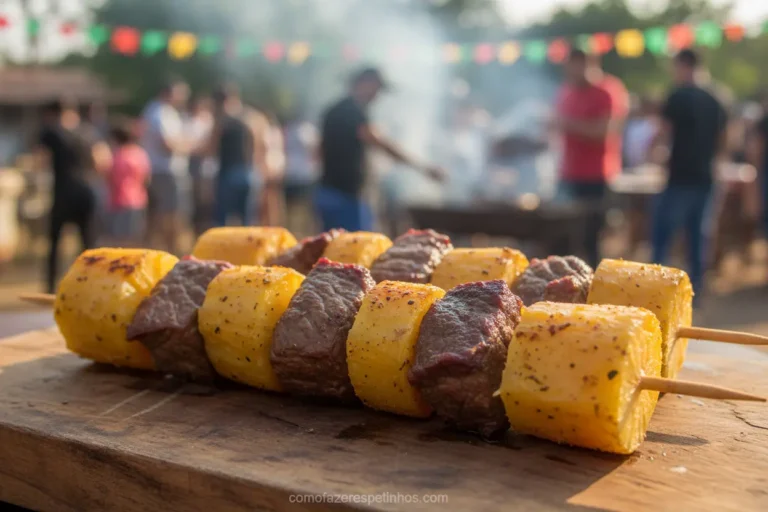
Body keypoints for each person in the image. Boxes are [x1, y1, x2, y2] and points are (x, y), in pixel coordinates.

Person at [316, 67, 444, 232]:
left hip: (328, 191)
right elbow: (380, 142)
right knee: (355, 249)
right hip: (346, 196)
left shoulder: (333, 109)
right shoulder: (352, 111)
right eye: (377, 89)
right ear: (366, 84)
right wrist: (423, 167)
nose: (377, 96)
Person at [648, 49, 727, 298]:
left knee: (663, 234)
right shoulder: (717, 97)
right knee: (697, 235)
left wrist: (654, 154)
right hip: (705, 176)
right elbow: (725, 138)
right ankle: (695, 290)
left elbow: (663, 133)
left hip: (680, 176)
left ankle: (653, 287)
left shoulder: (677, 96)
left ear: (682, 65)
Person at [552, 49, 622, 268]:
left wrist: (567, 124)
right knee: (560, 240)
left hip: (596, 177)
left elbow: (604, 131)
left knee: (591, 241)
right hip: (567, 176)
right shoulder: (565, 92)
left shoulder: (607, 90)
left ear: (589, 64)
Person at [37, 99, 111, 293]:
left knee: (55, 244)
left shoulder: (50, 132)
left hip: (63, 192)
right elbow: (102, 160)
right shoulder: (88, 132)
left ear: (51, 113)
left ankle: (51, 288)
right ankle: (90, 285)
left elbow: (40, 160)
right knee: (88, 245)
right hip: (87, 191)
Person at [209, 83, 271, 227]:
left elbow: (211, 147)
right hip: (249, 173)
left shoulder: (221, 120)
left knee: (222, 221)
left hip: (228, 173)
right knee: (248, 221)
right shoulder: (254, 117)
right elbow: (263, 146)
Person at [140, 80, 190, 253]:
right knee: (169, 215)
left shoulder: (162, 111)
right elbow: (167, 144)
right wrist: (188, 146)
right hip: (165, 171)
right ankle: (169, 252)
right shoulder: (159, 112)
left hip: (164, 170)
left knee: (164, 215)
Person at [106, 119, 151, 247]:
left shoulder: (118, 156)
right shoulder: (140, 153)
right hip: (139, 200)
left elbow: (110, 178)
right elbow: (147, 177)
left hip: (120, 201)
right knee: (134, 239)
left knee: (120, 241)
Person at [282, 111, 319, 236]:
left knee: (304, 211)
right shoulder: (299, 130)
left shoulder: (299, 130)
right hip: (295, 174)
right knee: (293, 211)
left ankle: (301, 235)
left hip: (303, 175)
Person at [185, 96, 214, 235]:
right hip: (192, 163)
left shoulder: (208, 121)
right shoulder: (187, 121)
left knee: (206, 201)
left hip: (206, 165)